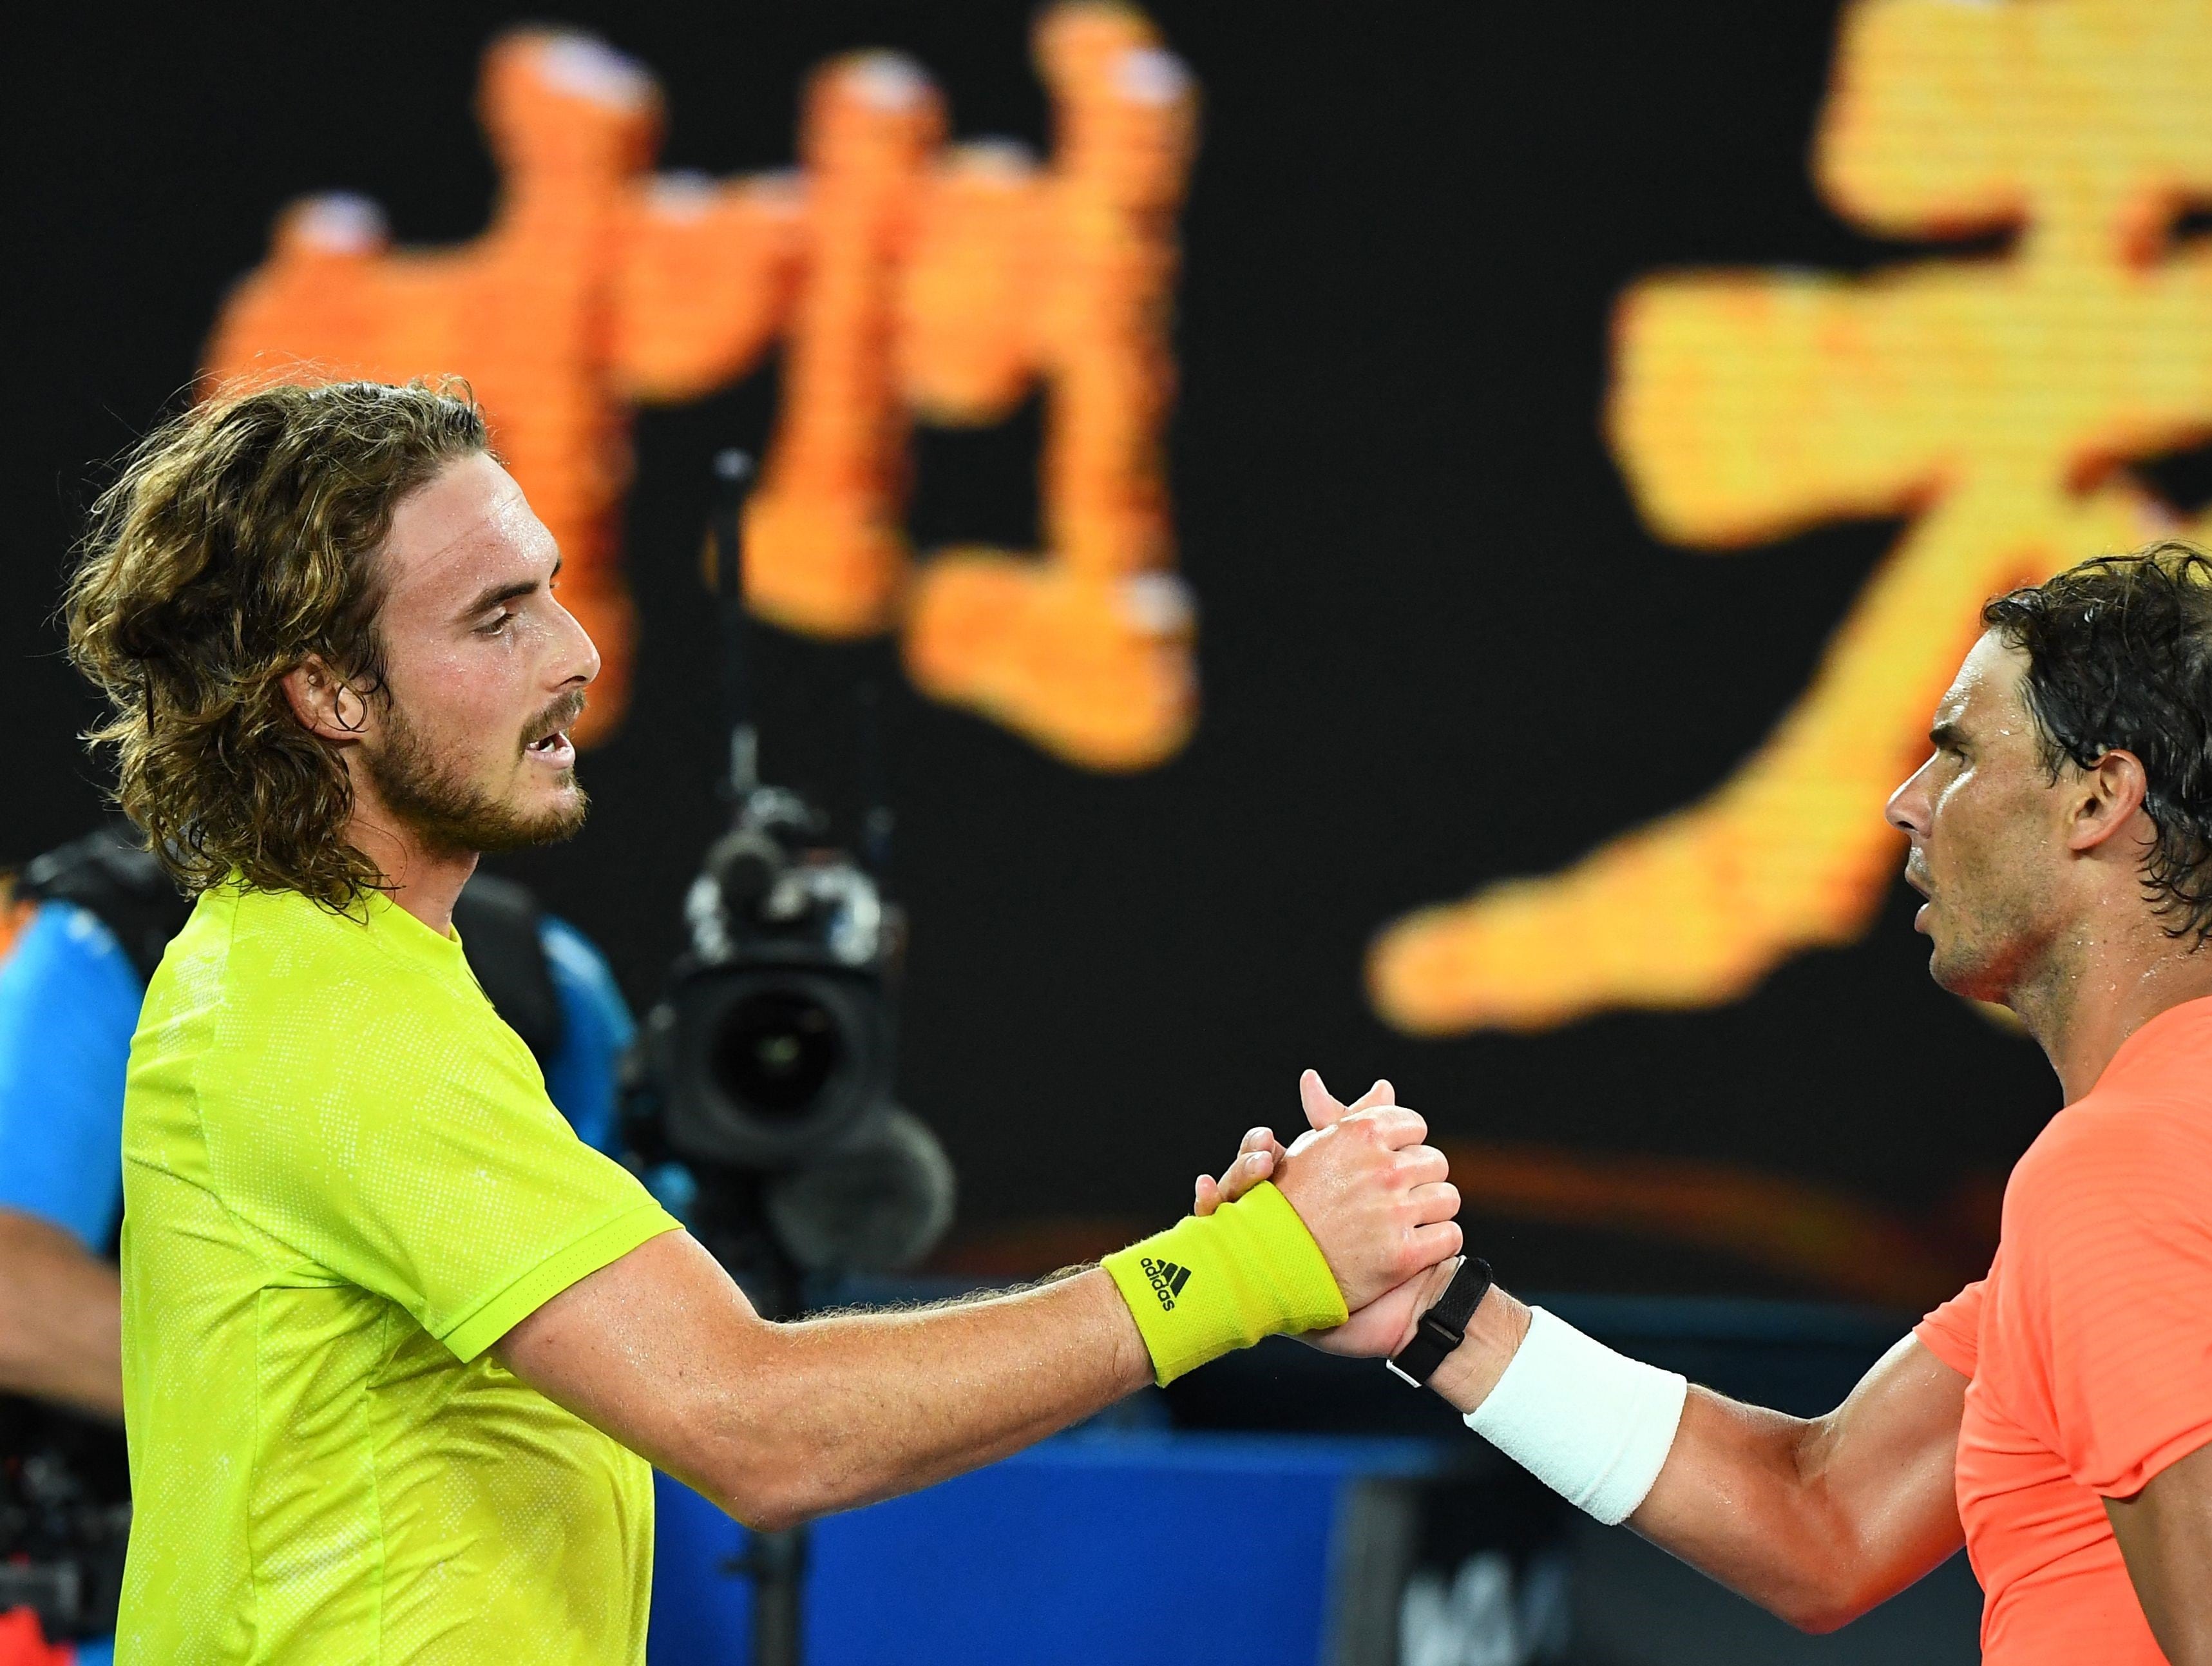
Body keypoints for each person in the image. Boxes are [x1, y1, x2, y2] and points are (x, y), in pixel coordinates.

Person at [63, 377, 1464, 1663]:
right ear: (329, 693)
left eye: (553, 589)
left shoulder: (334, 977)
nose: (576, 652)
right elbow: (757, 1424)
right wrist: (1246, 1270)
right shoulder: (328, 1023)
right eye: (495, 618)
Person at [1212, 548, 2212, 1664]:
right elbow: (1820, 1516)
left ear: (2098, 799)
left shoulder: (2129, 1174)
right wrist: (1429, 1317)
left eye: (1953, 752)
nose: (1904, 803)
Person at [0, 825, 637, 1663]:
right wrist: (339, 1413)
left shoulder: (545, 975)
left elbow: (627, 1300)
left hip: (487, 1615)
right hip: (149, 1613)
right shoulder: (108, 943)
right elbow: (14, 1295)